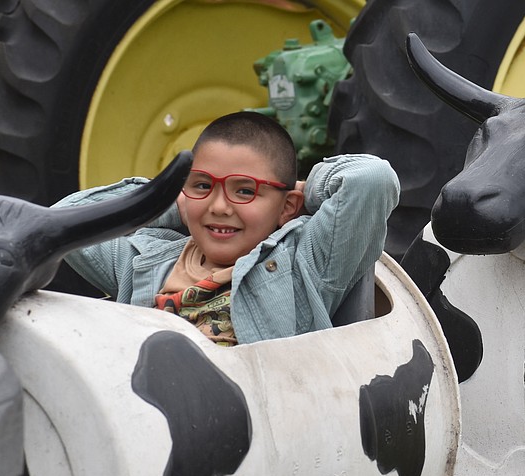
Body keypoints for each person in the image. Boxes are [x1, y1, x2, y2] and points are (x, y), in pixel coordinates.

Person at [55, 111, 399, 346]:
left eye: (245, 190)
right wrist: (167, 200)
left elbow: (371, 180)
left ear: (287, 207)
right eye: (203, 185)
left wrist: (293, 195)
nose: (219, 207)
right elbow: (64, 220)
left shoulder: (303, 264)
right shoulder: (144, 259)